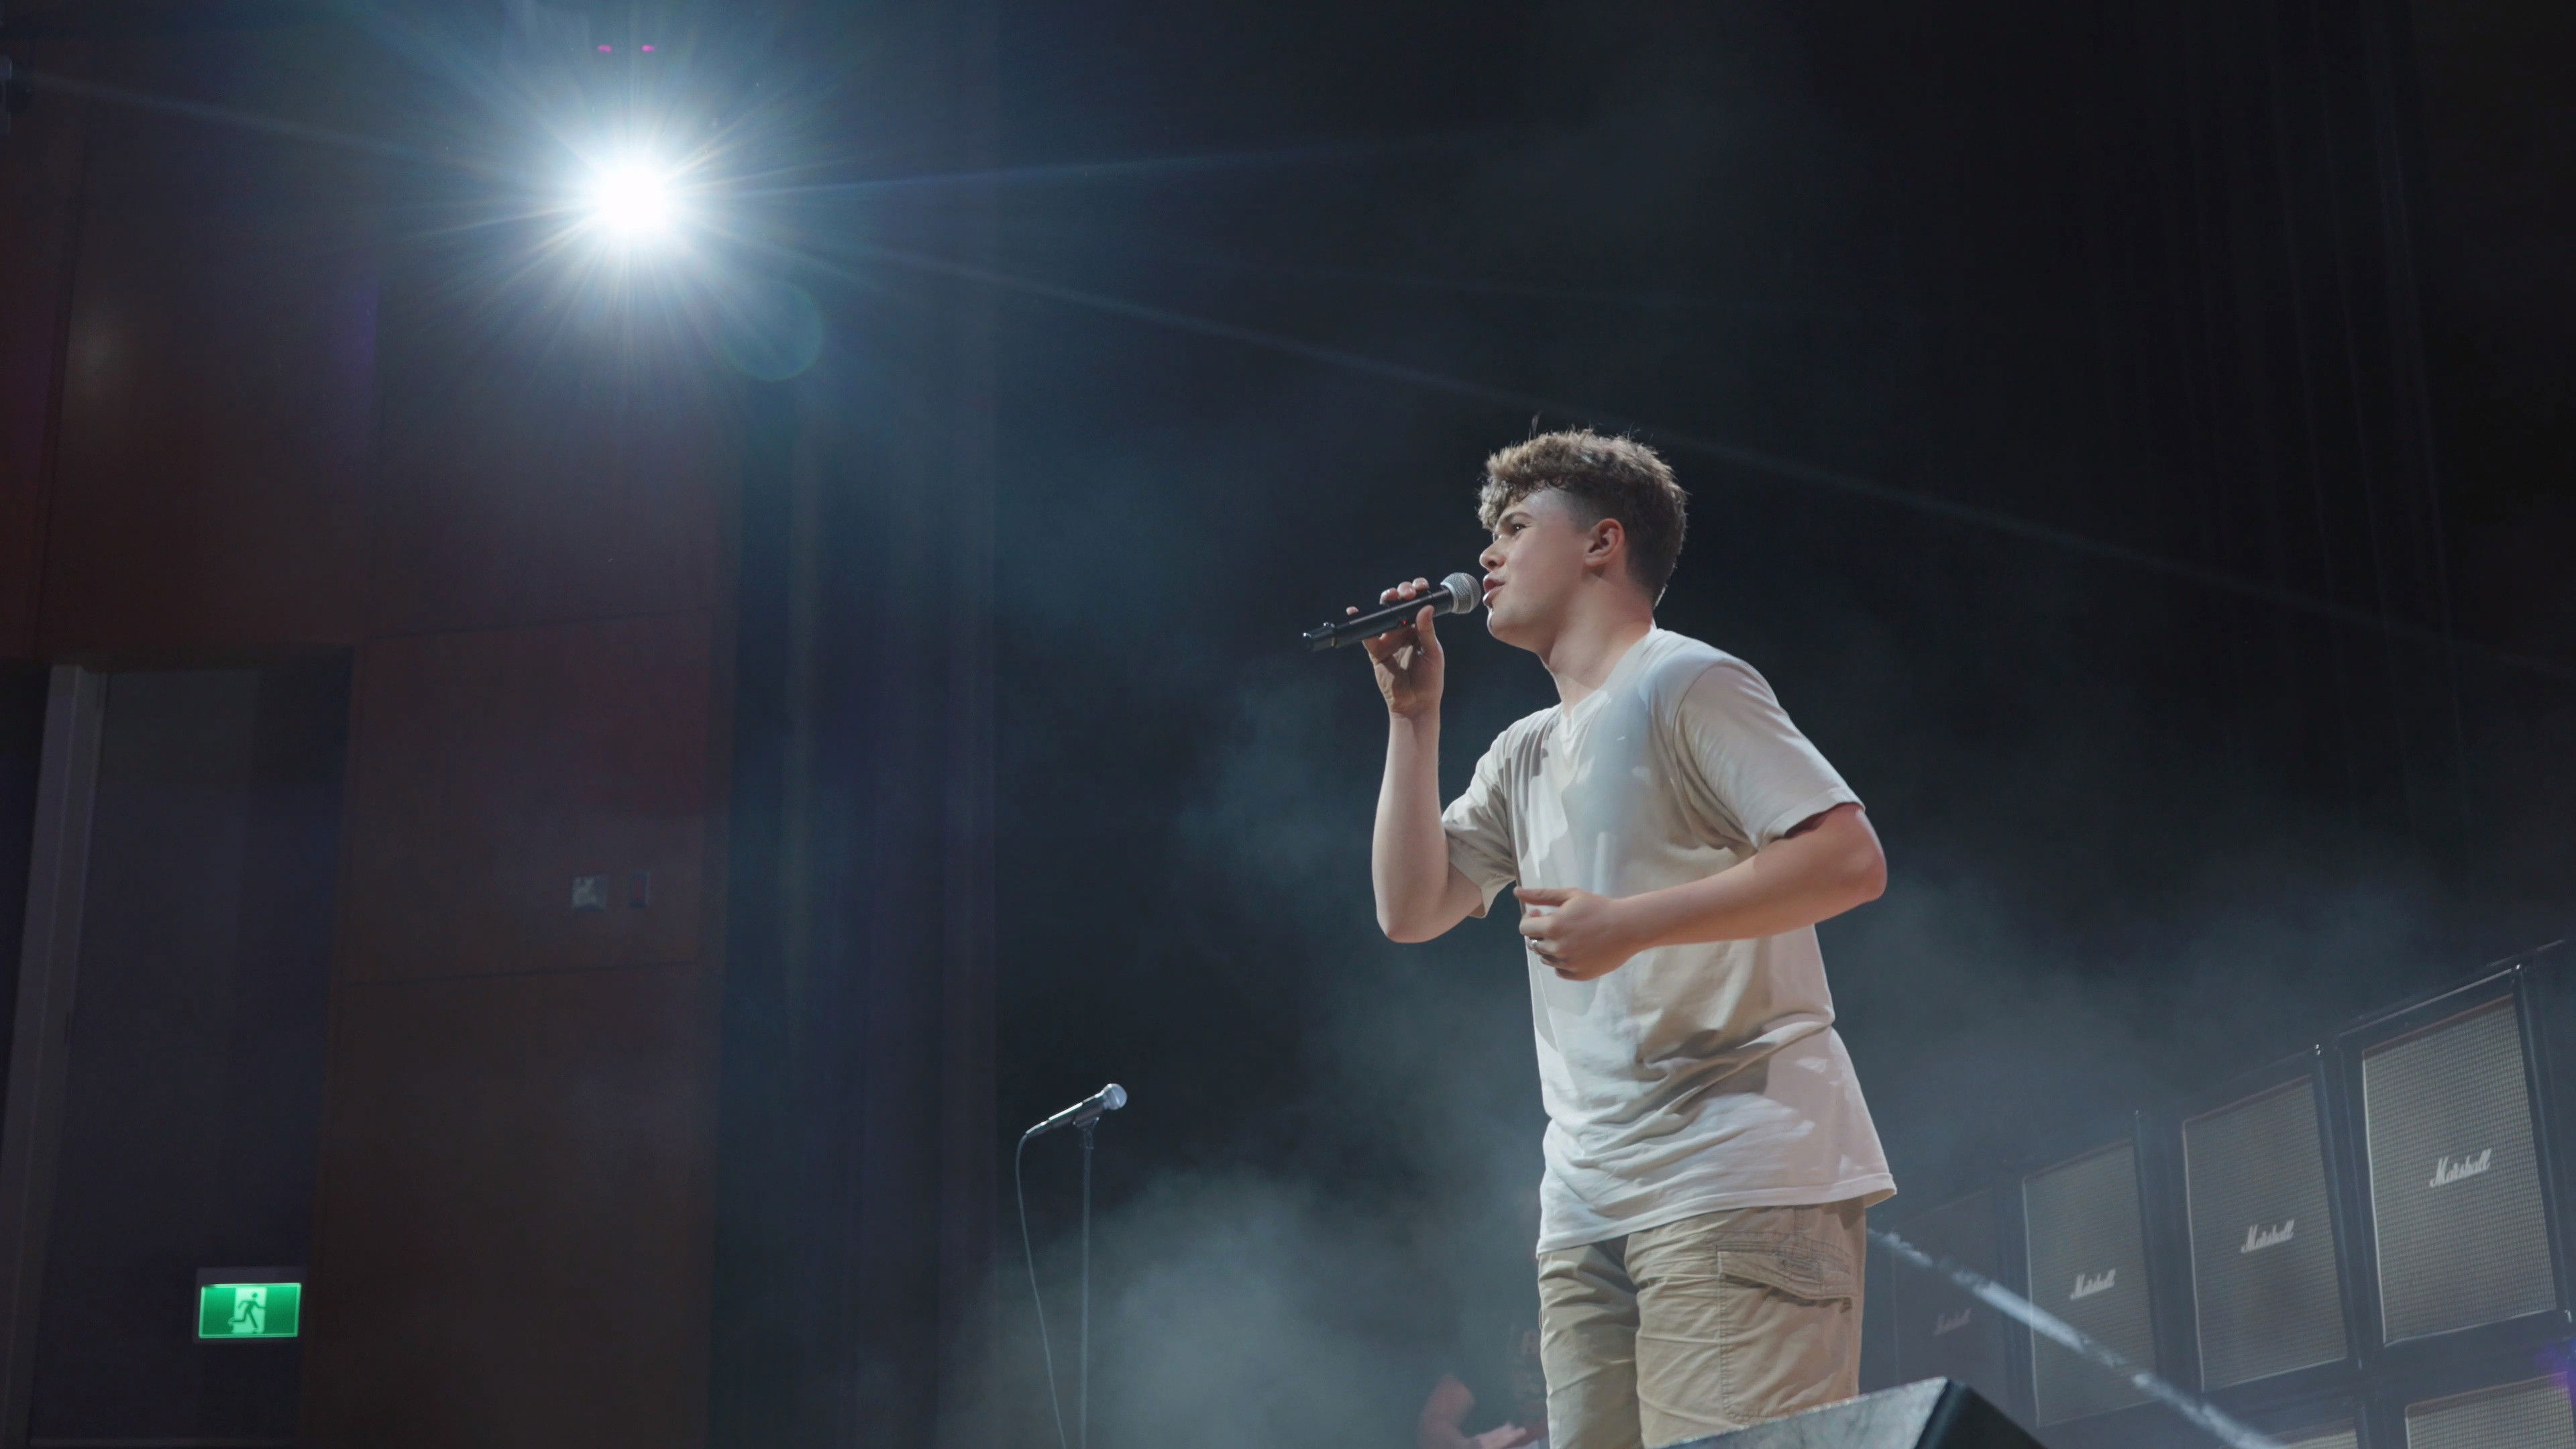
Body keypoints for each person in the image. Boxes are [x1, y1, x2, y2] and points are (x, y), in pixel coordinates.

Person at [1356, 431, 1895, 1449]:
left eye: (1515, 528)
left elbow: (1848, 862)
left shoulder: (1686, 681)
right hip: (1589, 1205)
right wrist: (1413, 718)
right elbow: (1410, 908)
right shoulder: (1524, 750)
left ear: (1603, 543)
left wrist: (1630, 926)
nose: (1487, 557)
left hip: (1738, 1173)